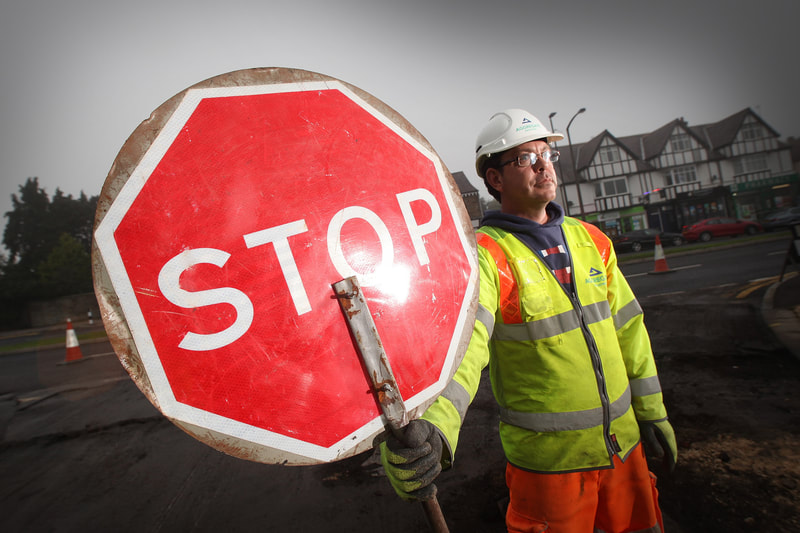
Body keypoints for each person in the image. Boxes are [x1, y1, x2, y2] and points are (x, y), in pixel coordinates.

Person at [380, 109, 677, 532]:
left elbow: (630, 331)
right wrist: (437, 425)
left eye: (546, 153)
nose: (543, 165)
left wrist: (653, 414)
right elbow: (467, 348)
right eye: (524, 158)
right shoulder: (487, 256)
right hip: (551, 470)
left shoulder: (593, 241)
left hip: (625, 454)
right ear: (495, 179)